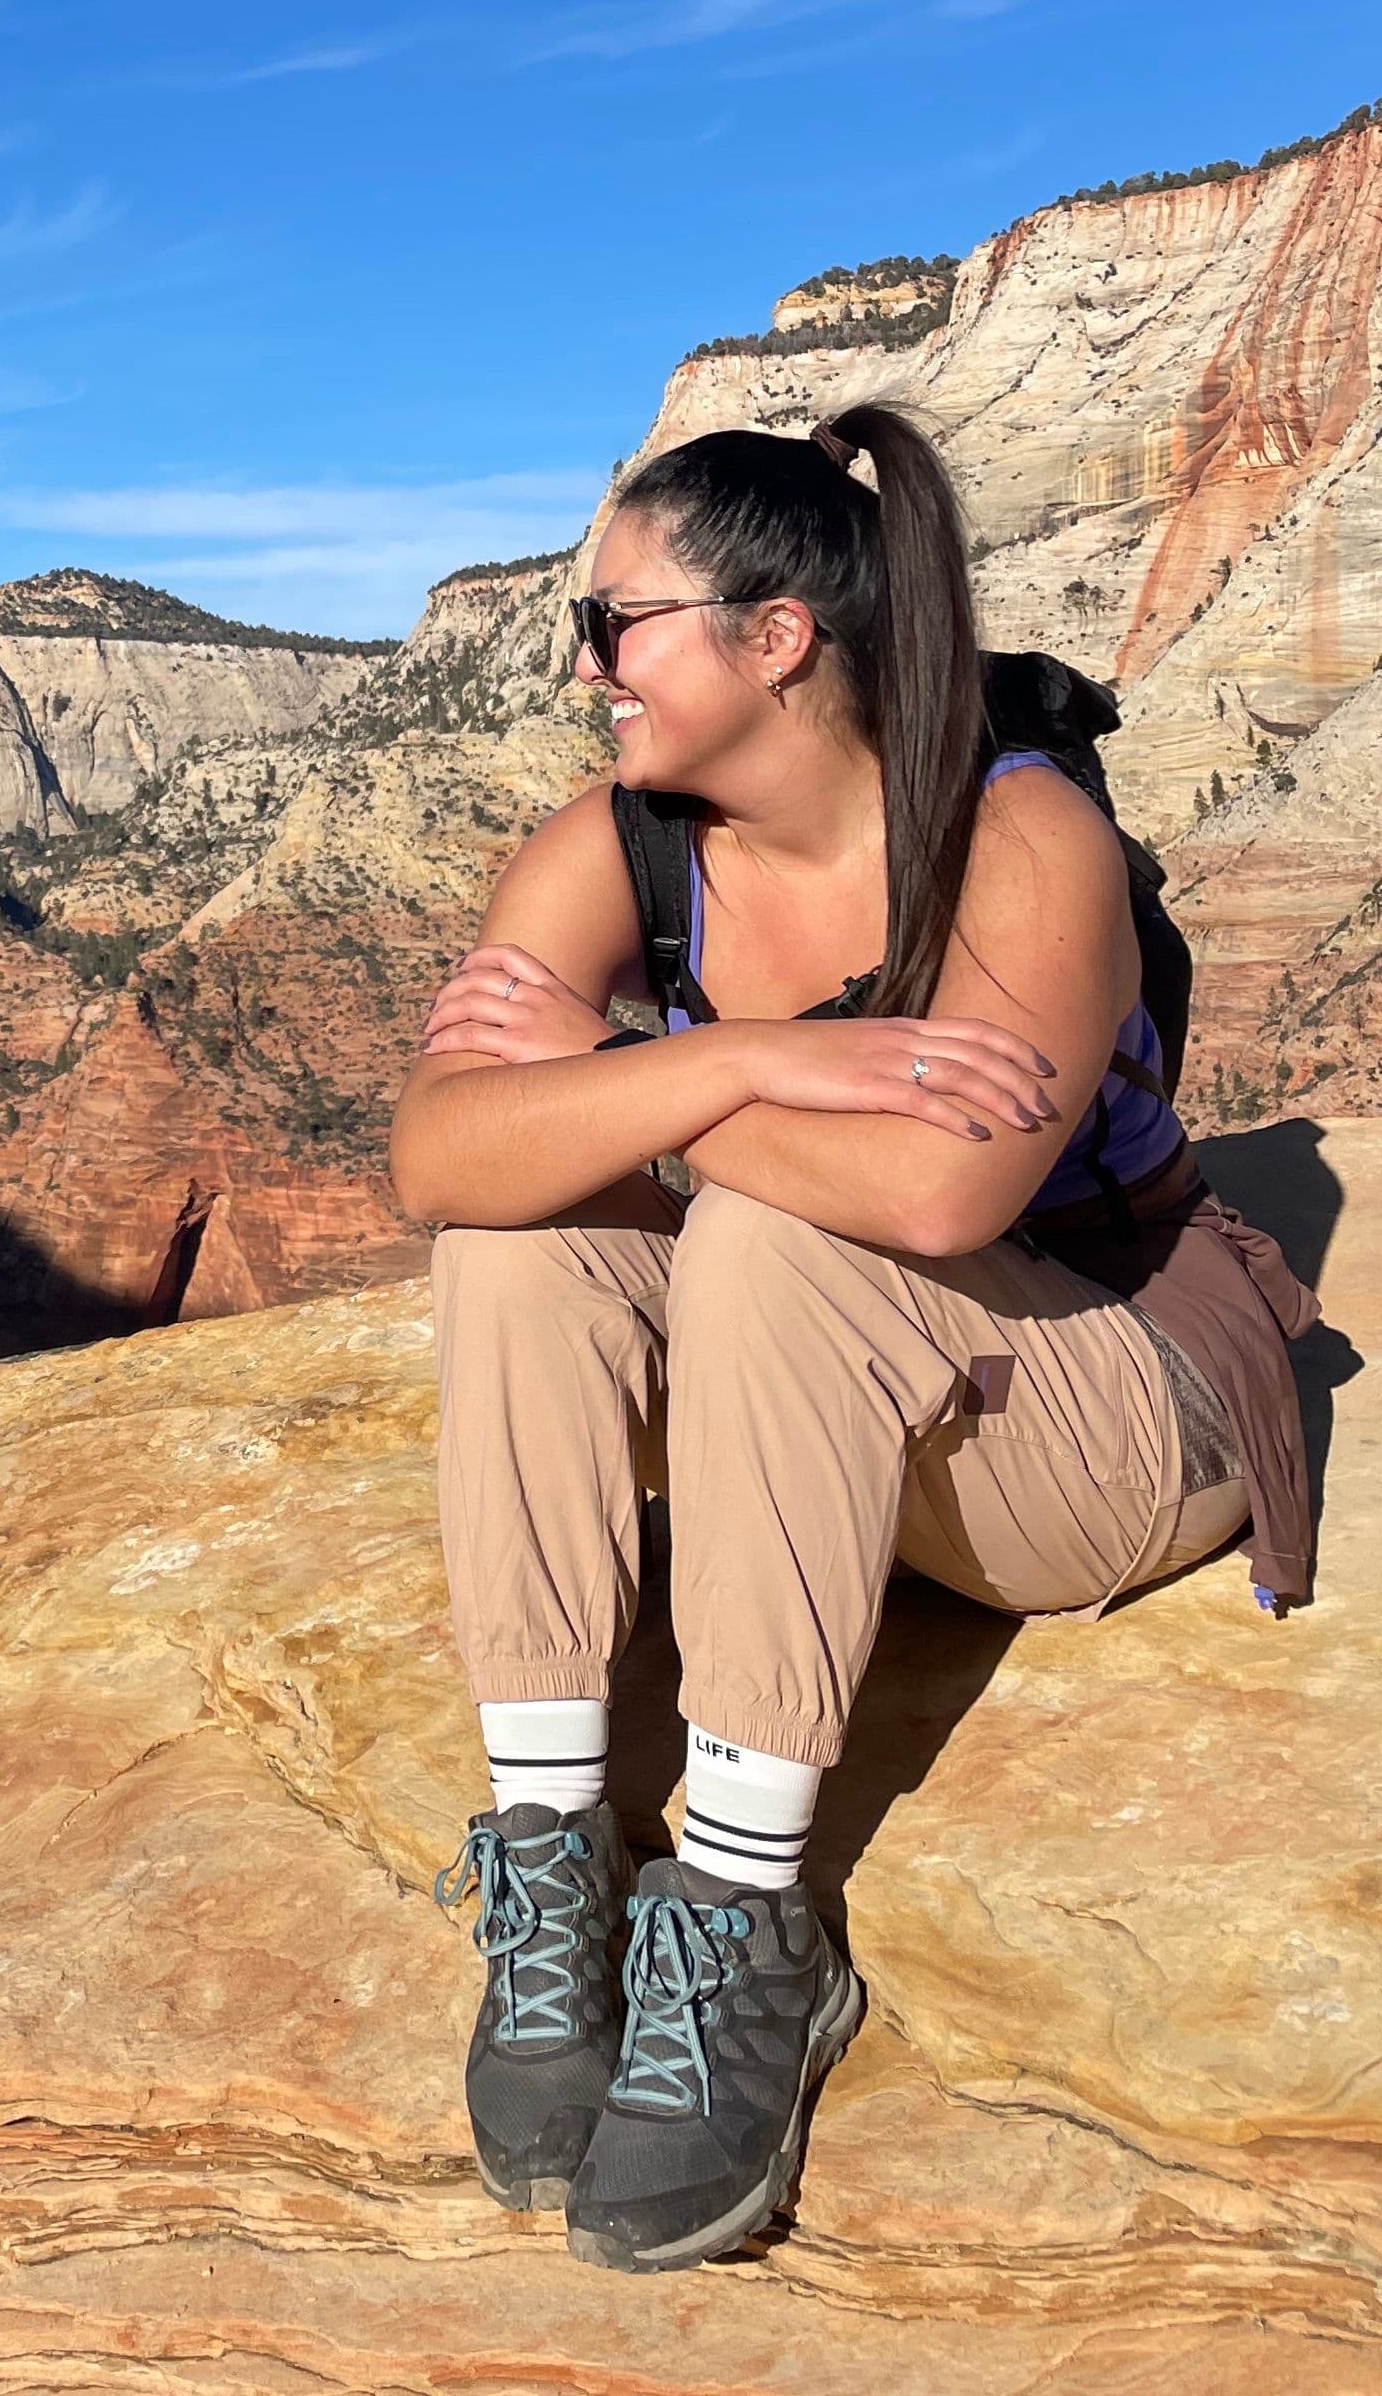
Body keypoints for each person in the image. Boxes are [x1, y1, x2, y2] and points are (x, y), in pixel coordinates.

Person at [389, 405, 1319, 2275]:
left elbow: (936, 1205)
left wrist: (624, 1084)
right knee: (522, 1247)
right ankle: (562, 1859)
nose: (586, 668)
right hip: (867, 1421)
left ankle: (744, 1926)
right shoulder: (624, 852)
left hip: (1110, 1400)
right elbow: (439, 1154)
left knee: (759, 1242)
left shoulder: (1016, 831)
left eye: (618, 623)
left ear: (777, 637)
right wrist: (728, 1056)